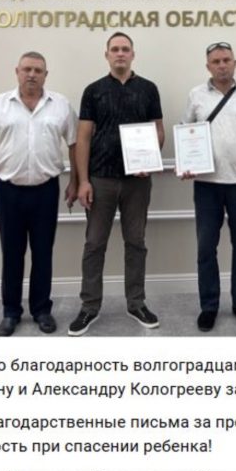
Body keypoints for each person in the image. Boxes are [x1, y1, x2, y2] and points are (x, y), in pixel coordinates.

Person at [0, 52, 78, 336]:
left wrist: (75, 182)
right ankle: (11, 312)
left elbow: (75, 146)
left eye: (38, 70)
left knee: (43, 253)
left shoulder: (61, 106)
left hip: (46, 191)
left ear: (45, 75)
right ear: (16, 71)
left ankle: (42, 310)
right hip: (9, 192)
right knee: (12, 254)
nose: (32, 74)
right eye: (27, 69)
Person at [70, 32, 164, 336]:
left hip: (137, 182)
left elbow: (158, 131)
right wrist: (83, 181)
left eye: (125, 49)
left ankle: (136, 303)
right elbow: (83, 137)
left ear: (133, 54)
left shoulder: (148, 89)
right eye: (115, 49)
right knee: (94, 243)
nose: (120, 53)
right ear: (107, 55)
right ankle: (89, 306)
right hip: (100, 180)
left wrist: (150, 160)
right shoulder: (93, 91)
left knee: (136, 242)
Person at [182, 41, 236, 332]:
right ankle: (209, 306)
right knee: (206, 248)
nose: (222, 65)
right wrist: (186, 164)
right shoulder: (195, 95)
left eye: (226, 60)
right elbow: (187, 134)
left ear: (234, 63)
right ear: (208, 66)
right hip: (207, 186)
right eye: (216, 61)